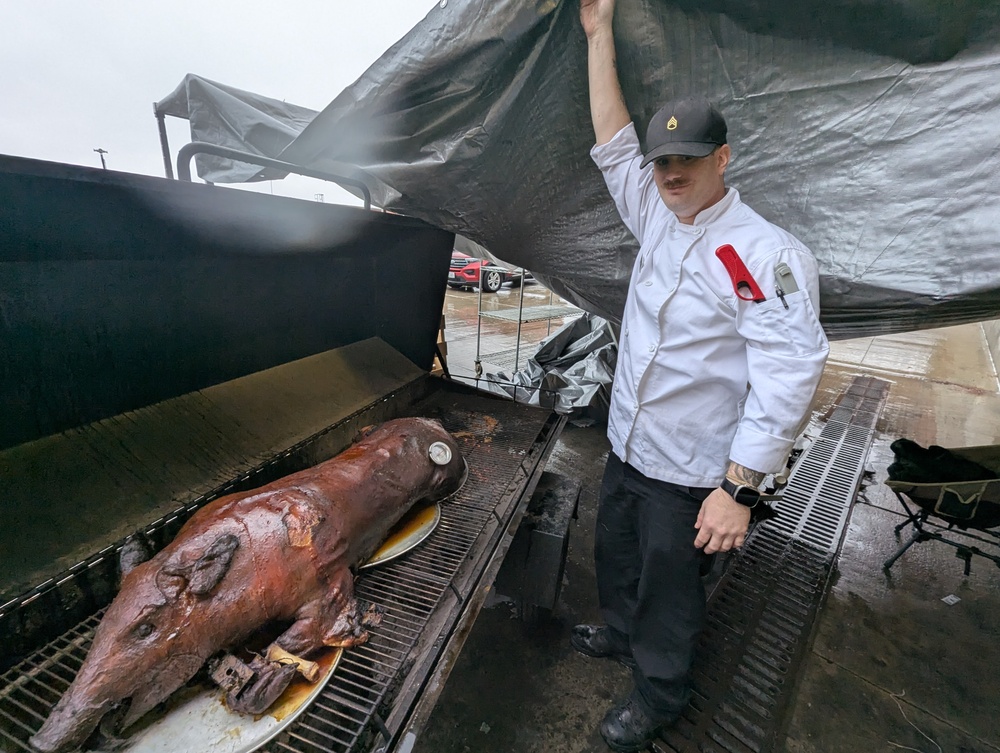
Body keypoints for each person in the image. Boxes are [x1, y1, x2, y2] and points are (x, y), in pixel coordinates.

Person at [575, 1, 831, 751]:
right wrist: (599, 39)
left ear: (724, 157)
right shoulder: (656, 211)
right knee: (615, 556)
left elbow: (789, 370)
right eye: (663, 162)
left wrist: (740, 489)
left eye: (688, 159)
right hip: (628, 445)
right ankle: (621, 635)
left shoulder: (763, 255)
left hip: (692, 470)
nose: (671, 173)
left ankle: (659, 693)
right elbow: (612, 139)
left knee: (669, 593)